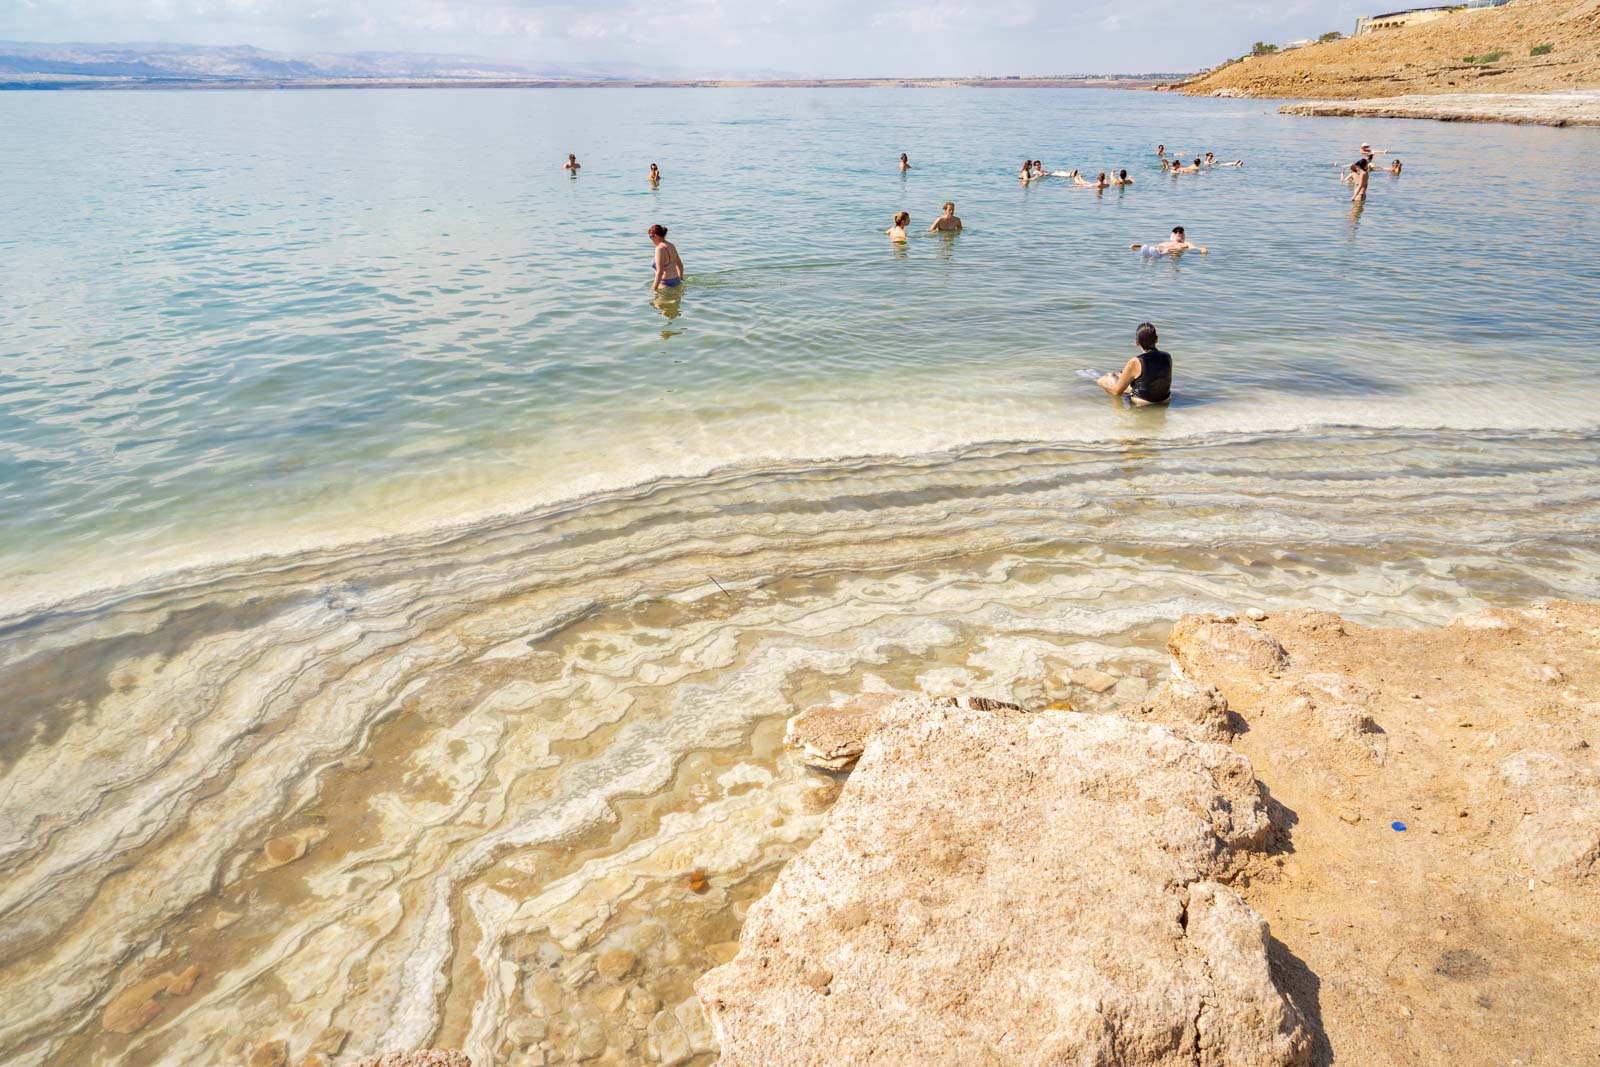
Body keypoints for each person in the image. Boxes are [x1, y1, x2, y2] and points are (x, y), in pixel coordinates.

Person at [1097, 322, 1172, 406]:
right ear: (1157, 339)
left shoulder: (1135, 362)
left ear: (1137, 343)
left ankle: (1093, 379)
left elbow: (1116, 392)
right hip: (1164, 400)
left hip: (1142, 403)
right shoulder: (1167, 356)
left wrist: (1103, 385)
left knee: (1110, 377)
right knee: (1121, 376)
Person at [648, 223, 684, 292]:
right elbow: (680, 265)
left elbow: (660, 272)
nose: (651, 240)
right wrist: (680, 278)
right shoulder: (671, 246)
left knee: (655, 303)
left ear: (655, 236)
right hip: (676, 282)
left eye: (650, 237)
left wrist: (653, 289)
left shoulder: (659, 249)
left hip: (665, 284)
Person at [1130, 226, 1207, 256]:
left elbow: (1194, 248)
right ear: (1173, 234)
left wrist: (1202, 249)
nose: (1178, 233)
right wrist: (1139, 246)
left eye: (1180, 232)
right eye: (1176, 232)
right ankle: (1149, 253)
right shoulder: (1167, 242)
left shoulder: (1186, 243)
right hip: (1160, 250)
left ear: (1183, 234)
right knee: (1154, 248)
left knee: (1168, 250)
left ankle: (1160, 255)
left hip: (1173, 254)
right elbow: (1153, 246)